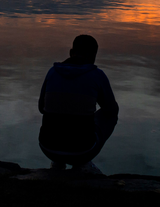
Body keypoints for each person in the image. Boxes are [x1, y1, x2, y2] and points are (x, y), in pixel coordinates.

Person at [38, 35, 119, 174]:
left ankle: (57, 163)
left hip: (47, 147)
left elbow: (41, 108)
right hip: (82, 151)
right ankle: (83, 164)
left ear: (71, 52)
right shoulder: (97, 75)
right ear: (94, 56)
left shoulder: (52, 72)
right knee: (109, 115)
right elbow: (111, 110)